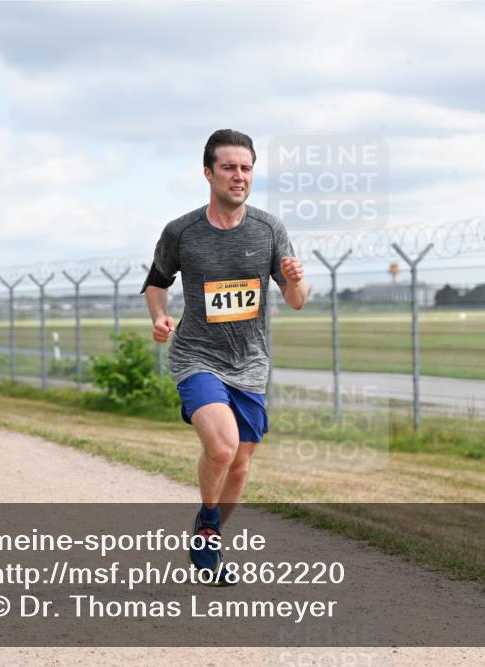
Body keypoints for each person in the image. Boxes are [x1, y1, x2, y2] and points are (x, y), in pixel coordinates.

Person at [140, 129, 308, 583]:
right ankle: (209, 524)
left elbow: (296, 301)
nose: (239, 176)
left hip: (250, 363)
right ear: (208, 173)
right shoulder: (181, 232)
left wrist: (295, 280)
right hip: (196, 356)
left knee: (240, 464)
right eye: (229, 167)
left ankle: (209, 533)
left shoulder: (269, 229)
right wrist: (160, 317)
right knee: (221, 447)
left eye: (246, 168)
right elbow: (156, 284)